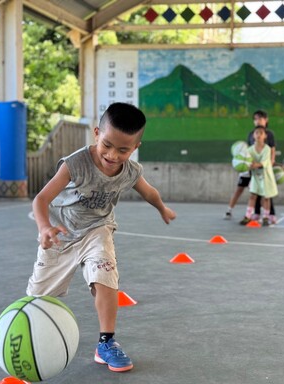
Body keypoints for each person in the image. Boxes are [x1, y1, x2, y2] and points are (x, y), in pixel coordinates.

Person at [26, 103, 176, 373]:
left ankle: (106, 342)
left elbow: (149, 192)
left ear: (135, 147)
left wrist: (162, 208)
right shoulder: (76, 163)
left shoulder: (130, 171)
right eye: (107, 145)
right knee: (37, 300)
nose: (112, 155)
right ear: (97, 133)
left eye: (123, 150)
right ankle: (31, 338)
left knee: (106, 277)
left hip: (98, 229)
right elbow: (41, 199)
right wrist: (44, 228)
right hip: (61, 234)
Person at [224, 110, 277, 222]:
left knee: (266, 194)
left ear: (266, 120)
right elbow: (247, 153)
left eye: (260, 118)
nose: (258, 121)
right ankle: (254, 213)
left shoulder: (269, 135)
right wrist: (245, 163)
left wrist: (271, 161)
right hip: (253, 170)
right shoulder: (250, 136)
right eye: (255, 119)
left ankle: (269, 214)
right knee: (254, 192)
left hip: (264, 169)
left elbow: (272, 150)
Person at [239, 125, 278, 226]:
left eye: (261, 133)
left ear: (265, 136)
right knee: (252, 196)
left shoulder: (267, 149)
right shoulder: (250, 150)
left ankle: (265, 217)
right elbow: (247, 161)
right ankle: (247, 216)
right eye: (256, 133)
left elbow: (264, 162)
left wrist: (254, 165)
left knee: (266, 197)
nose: (259, 135)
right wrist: (244, 165)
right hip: (256, 177)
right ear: (253, 136)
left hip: (266, 177)